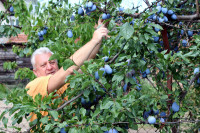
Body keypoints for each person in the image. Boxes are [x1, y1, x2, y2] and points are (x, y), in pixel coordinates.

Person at [26, 19, 109, 122]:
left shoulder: (67, 83)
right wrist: (93, 40)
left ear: (57, 64)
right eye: (43, 65)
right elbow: (68, 70)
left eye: (52, 63)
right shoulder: (34, 86)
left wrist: (99, 33)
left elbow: (87, 60)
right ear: (35, 72)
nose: (49, 67)